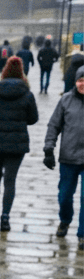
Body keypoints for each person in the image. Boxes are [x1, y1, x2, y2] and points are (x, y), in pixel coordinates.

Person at [0, 56, 39, 231]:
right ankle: (5, 217)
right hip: (16, 144)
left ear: (4, 72)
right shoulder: (27, 94)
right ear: (22, 73)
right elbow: (33, 119)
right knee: (10, 180)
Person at [44, 70, 84, 247]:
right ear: (75, 82)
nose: (83, 84)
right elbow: (54, 125)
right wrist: (48, 148)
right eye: (80, 80)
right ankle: (65, 219)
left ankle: (82, 233)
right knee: (65, 195)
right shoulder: (66, 100)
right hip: (68, 157)